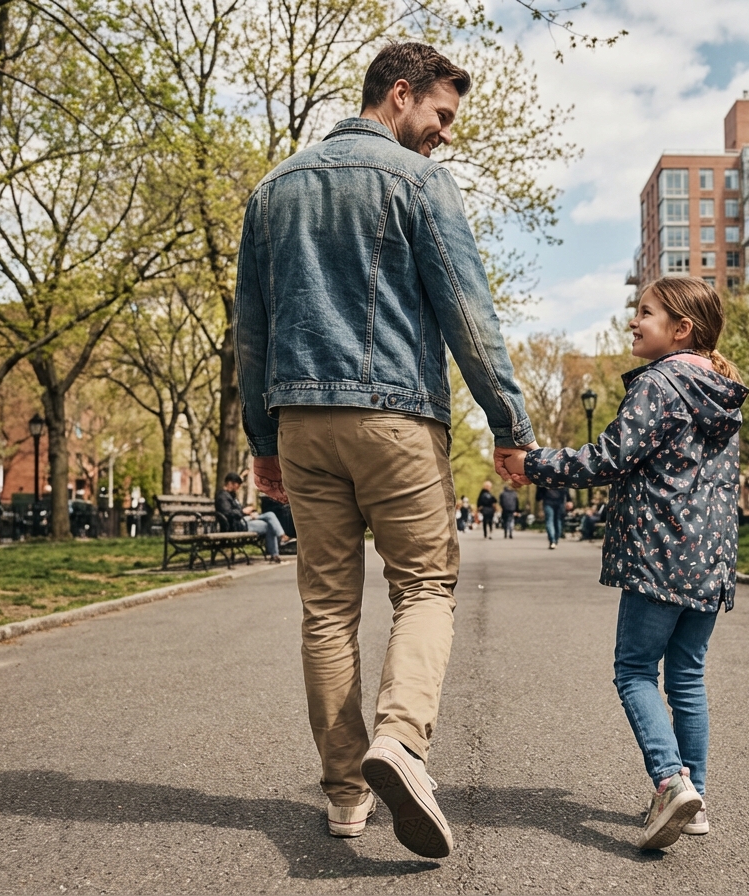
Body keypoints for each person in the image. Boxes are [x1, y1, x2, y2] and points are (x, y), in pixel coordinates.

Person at [233, 42, 537, 858]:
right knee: (426, 586)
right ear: (399, 95)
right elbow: (469, 315)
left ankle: (344, 796)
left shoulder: (271, 191)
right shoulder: (420, 182)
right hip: (395, 419)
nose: (442, 136)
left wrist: (263, 441)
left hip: (300, 422)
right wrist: (510, 424)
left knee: (327, 611)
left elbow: (251, 335)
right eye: (439, 116)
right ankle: (400, 741)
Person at [502, 277, 748, 851]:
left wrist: (532, 461)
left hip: (663, 552)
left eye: (645, 312)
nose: (633, 322)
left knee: (635, 670)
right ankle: (696, 795)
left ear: (680, 329)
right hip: (711, 557)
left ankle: (670, 782)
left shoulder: (662, 384)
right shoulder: (718, 388)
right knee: (687, 675)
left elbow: (607, 457)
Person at [215, 473, 291, 562]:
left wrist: (249, 513)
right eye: (237, 485)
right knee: (269, 524)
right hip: (237, 525)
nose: (238, 488)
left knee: (270, 516)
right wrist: (243, 512)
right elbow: (227, 513)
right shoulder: (222, 496)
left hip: (243, 520)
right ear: (230, 483)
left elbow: (236, 511)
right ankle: (278, 547)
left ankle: (279, 543)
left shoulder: (231, 496)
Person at [536, 484, 567, 549]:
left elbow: (539, 484)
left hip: (552, 501)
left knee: (552, 520)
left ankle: (553, 540)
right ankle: (554, 540)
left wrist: (538, 496)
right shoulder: (561, 474)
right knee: (555, 520)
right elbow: (566, 487)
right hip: (554, 501)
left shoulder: (544, 474)